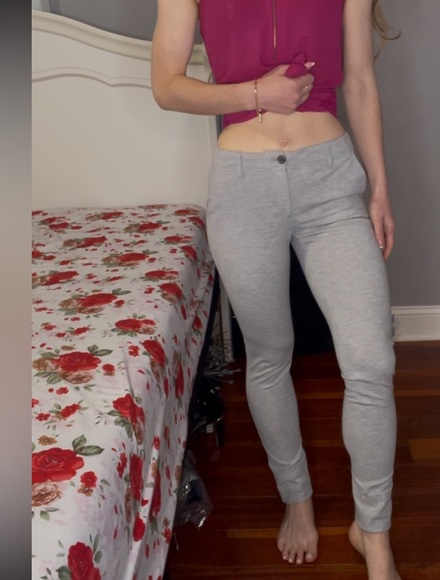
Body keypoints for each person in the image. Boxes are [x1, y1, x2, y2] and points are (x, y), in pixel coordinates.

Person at [152, 1, 400, 578]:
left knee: (371, 361)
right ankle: (297, 499)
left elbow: (360, 81)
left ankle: (374, 533)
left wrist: (379, 187)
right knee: (269, 356)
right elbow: (166, 85)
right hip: (243, 187)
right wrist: (256, 94)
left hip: (330, 178)